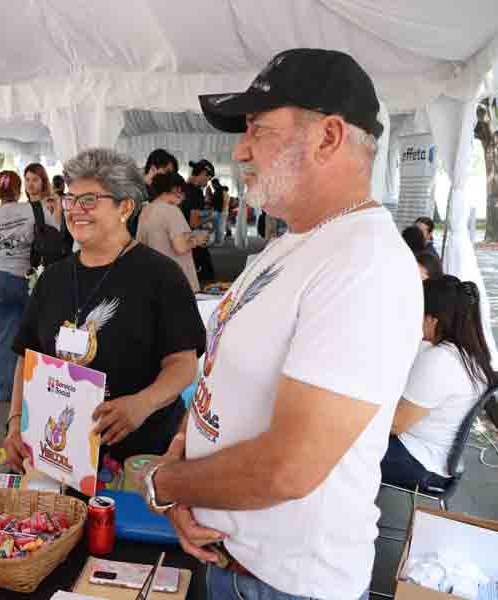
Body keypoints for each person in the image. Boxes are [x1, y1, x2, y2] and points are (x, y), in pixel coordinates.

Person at [138, 49, 423, 599]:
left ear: (329, 136)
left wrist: (163, 483)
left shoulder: (365, 264)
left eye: (258, 129)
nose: (240, 150)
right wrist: (183, 448)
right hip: (233, 559)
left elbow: (288, 468)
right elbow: (223, 378)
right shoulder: (295, 241)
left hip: (286, 586)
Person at [3, 148, 205, 474]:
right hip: (60, 453)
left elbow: (183, 367)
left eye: (90, 200)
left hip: (137, 457)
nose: (75, 211)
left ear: (125, 207)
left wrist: (142, 403)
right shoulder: (52, 278)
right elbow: (27, 356)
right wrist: (15, 424)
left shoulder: (161, 276)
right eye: (70, 199)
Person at [382, 276, 495, 491]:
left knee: (341, 441)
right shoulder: (470, 353)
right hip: (435, 456)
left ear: (434, 320)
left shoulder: (441, 361)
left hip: (420, 461)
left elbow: (395, 425)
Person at [0, 171, 58, 402]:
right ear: (19, 188)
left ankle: (2, 390)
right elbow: (55, 234)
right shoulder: (34, 210)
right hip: (30, 279)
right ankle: (35, 389)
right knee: (34, 334)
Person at [136, 172, 204, 292]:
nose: (183, 197)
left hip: (154, 278)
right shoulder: (172, 211)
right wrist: (198, 240)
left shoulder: (146, 209)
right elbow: (181, 247)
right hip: (176, 278)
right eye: (183, 192)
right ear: (176, 189)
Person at [208, 178, 230, 246]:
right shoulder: (217, 191)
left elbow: (224, 201)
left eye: (212, 185)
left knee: (220, 227)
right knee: (217, 227)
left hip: (221, 211)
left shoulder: (221, 191)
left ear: (215, 184)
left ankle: (219, 242)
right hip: (219, 211)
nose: (212, 186)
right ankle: (217, 241)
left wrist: (221, 211)